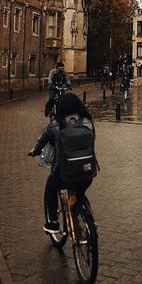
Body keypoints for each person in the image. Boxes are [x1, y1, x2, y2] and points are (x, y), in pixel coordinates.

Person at [28, 93, 95, 233]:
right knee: (79, 193)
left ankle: (53, 222)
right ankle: (84, 217)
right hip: (88, 172)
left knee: (51, 187)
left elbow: (42, 141)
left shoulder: (55, 125)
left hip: (65, 173)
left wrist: (35, 151)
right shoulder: (88, 121)